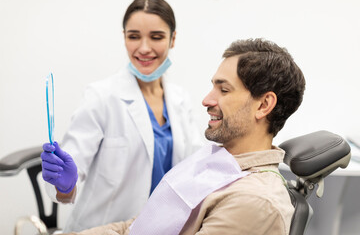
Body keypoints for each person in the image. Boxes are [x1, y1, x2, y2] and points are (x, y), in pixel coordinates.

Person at [62, 38, 306, 235]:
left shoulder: (254, 202)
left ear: (264, 105)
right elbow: (136, 228)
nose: (207, 100)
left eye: (224, 89)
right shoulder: (215, 162)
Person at [41, 0, 203, 232]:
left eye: (156, 37)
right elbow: (72, 168)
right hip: (102, 228)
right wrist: (64, 185)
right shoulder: (101, 97)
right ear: (124, 37)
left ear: (173, 39)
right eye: (134, 36)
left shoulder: (180, 99)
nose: (144, 48)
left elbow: (194, 164)